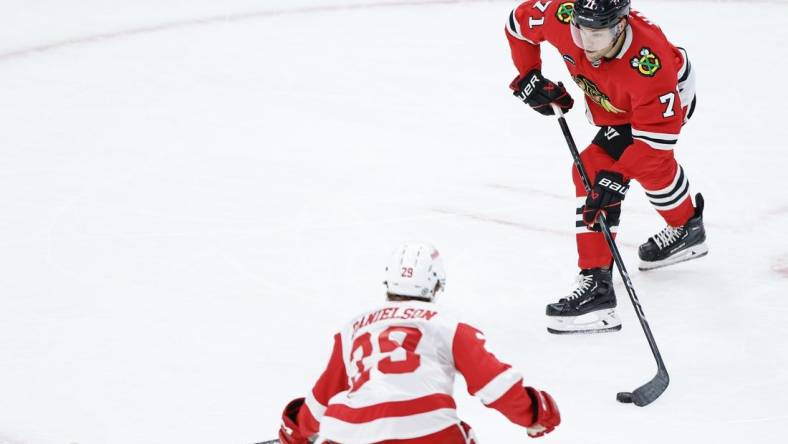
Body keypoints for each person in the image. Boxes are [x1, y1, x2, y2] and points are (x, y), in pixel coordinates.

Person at [505, 0, 708, 334]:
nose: (586, 45)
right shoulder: (561, 15)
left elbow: (653, 148)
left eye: (597, 35)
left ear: (621, 26)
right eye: (580, 32)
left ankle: (596, 285)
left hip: (666, 96)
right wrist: (529, 75)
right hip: (615, 102)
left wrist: (617, 178)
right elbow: (517, 26)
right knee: (629, 172)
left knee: (598, 170)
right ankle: (688, 227)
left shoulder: (650, 66)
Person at [277, 243, 560, 443]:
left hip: (351, 433)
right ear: (437, 285)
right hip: (427, 430)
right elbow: (494, 384)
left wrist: (296, 434)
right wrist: (536, 414)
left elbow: (322, 399)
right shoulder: (446, 323)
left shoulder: (353, 328)